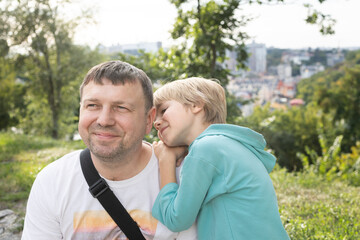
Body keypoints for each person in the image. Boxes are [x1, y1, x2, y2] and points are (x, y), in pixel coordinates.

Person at [21, 61, 197, 240]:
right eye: (93, 106)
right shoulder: (52, 182)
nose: (104, 120)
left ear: (148, 120)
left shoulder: (184, 179)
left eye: (121, 108)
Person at [151, 77, 290, 240]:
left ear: (196, 104)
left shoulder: (205, 148)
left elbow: (176, 219)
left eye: (163, 110)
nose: (156, 122)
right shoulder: (226, 144)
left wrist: (166, 160)